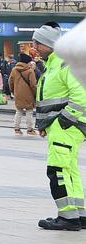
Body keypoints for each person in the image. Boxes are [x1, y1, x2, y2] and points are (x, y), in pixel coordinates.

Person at [32, 23, 84, 231]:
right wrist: (45, 123)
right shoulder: (54, 64)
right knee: (69, 170)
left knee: (58, 171)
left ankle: (68, 218)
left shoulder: (63, 65)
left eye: (38, 43)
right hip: (62, 127)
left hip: (65, 127)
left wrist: (63, 121)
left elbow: (81, 97)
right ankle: (79, 215)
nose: (34, 46)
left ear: (50, 44)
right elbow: (49, 100)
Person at [10, 52, 39, 136]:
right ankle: (30, 130)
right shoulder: (30, 71)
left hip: (18, 94)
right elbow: (33, 85)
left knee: (18, 111)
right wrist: (36, 94)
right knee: (29, 112)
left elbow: (10, 82)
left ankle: (17, 129)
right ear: (27, 62)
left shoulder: (14, 70)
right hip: (28, 95)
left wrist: (13, 91)